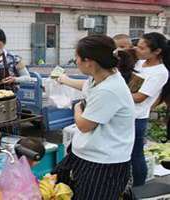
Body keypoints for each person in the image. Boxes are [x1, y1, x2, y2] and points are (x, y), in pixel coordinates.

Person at [53, 35, 135, 200]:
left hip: (102, 162)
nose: (75, 61)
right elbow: (86, 86)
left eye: (77, 57)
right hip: (85, 153)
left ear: (89, 61)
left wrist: (77, 108)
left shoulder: (109, 90)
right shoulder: (101, 77)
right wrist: (65, 80)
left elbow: (84, 125)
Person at [131, 32, 170, 186]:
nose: (136, 49)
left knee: (136, 155)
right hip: (125, 114)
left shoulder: (160, 72)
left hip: (137, 118)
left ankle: (139, 188)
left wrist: (116, 92)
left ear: (157, 51)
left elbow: (140, 97)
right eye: (137, 45)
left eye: (141, 48)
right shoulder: (139, 63)